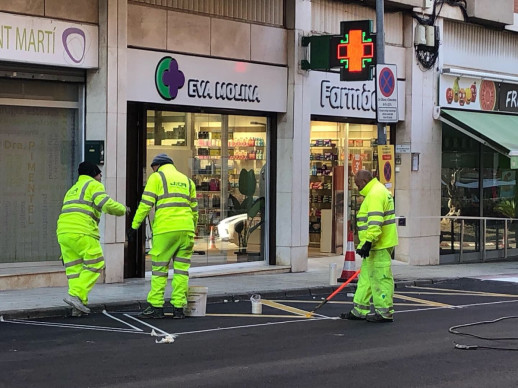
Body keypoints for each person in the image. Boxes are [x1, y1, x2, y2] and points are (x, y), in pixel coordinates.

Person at [129, 153, 198, 319]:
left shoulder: (157, 177)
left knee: (159, 270)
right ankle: (178, 308)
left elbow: (145, 204)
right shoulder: (187, 181)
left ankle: (156, 307)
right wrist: (192, 229)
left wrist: (134, 226)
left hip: (165, 230)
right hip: (186, 230)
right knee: (182, 271)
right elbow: (195, 210)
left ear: (156, 166)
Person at [57, 161, 128, 316]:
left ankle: (78, 305)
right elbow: (106, 204)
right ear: (94, 174)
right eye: (99, 173)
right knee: (96, 262)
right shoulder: (93, 185)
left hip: (63, 232)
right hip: (82, 230)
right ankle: (75, 295)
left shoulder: (72, 189)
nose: (101, 176)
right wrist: (123, 209)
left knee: (74, 269)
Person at [342, 169, 398, 323]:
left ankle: (384, 312)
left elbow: (375, 222)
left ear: (365, 181)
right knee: (366, 278)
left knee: (381, 278)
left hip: (378, 245)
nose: (356, 187)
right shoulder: (378, 191)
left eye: (357, 184)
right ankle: (359, 310)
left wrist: (367, 242)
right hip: (376, 245)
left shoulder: (374, 194)